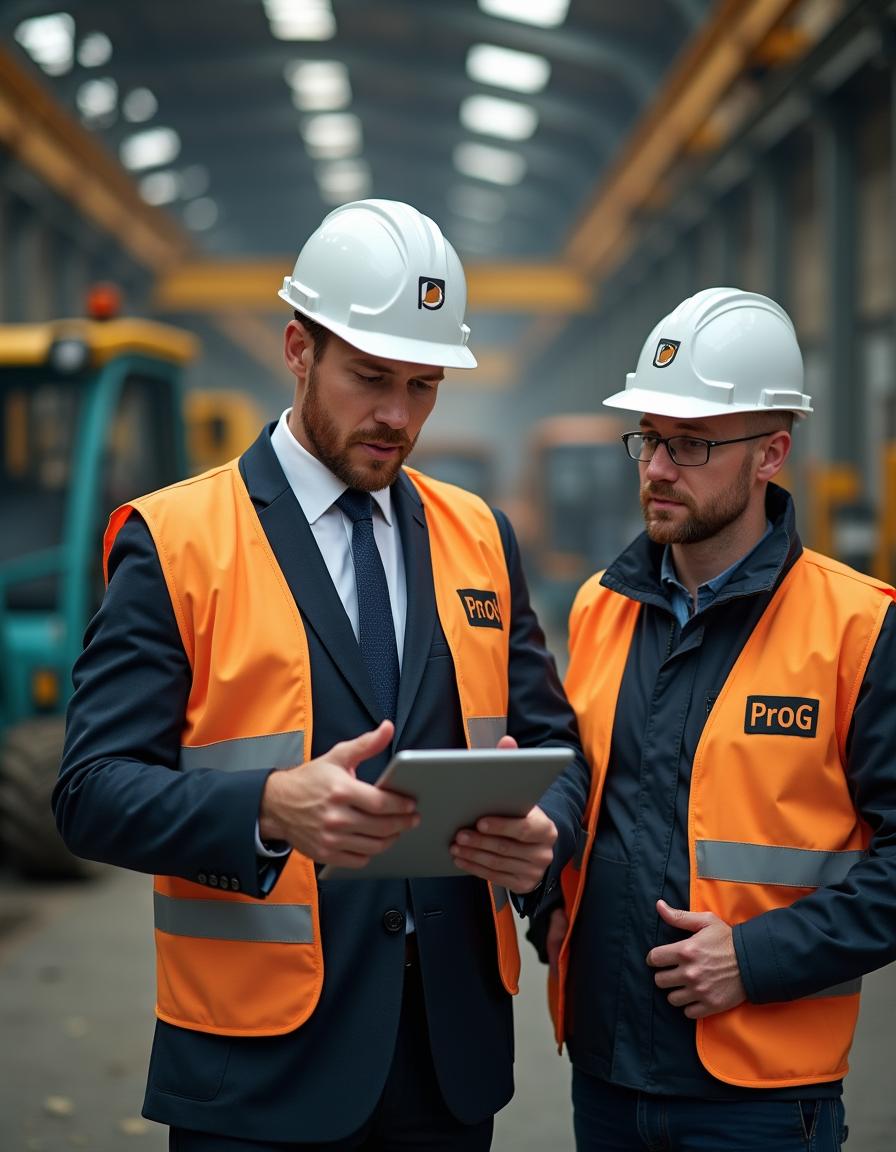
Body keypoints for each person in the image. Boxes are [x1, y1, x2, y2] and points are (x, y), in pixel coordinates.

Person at [54, 199, 589, 1151]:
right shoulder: (176, 541)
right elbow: (91, 792)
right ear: (297, 349)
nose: (398, 415)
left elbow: (559, 750)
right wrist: (267, 808)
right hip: (259, 1064)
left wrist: (546, 828)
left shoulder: (480, 536)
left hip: (447, 1061)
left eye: (424, 385)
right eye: (371, 378)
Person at [530, 287, 896, 1151]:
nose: (657, 467)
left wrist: (757, 958)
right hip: (606, 1072)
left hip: (762, 1100)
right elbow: (585, 779)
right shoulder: (599, 608)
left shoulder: (860, 630)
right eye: (649, 438)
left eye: (690, 443)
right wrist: (545, 885)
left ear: (771, 453)